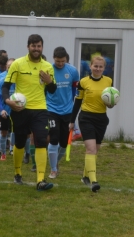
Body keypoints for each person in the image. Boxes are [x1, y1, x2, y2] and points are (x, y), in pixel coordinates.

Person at [2, 34, 57, 191]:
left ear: (42, 47)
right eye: (33, 46)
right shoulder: (18, 64)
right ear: (28, 47)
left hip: (40, 109)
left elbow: (52, 90)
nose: (36, 48)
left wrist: (49, 81)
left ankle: (40, 180)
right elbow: (5, 86)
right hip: (20, 109)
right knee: (20, 142)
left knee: (41, 141)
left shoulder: (47, 66)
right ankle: (17, 173)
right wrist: (8, 101)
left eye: (39, 46)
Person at [69, 56, 113, 192]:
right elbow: (77, 102)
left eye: (101, 67)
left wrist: (111, 104)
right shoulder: (83, 82)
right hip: (86, 117)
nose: (98, 69)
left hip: (101, 119)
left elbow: (110, 101)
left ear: (104, 68)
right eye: (96, 66)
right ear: (91, 66)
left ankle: (85, 176)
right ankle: (94, 181)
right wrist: (72, 120)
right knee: (91, 149)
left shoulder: (108, 81)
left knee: (95, 150)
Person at [46, 47, 79, 179]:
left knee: (64, 144)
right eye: (58, 61)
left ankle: (56, 163)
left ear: (66, 59)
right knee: (54, 139)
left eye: (62, 61)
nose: (60, 63)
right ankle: (53, 169)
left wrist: (70, 104)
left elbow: (74, 90)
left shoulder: (73, 71)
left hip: (67, 111)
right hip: (51, 109)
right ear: (53, 58)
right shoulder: (48, 70)